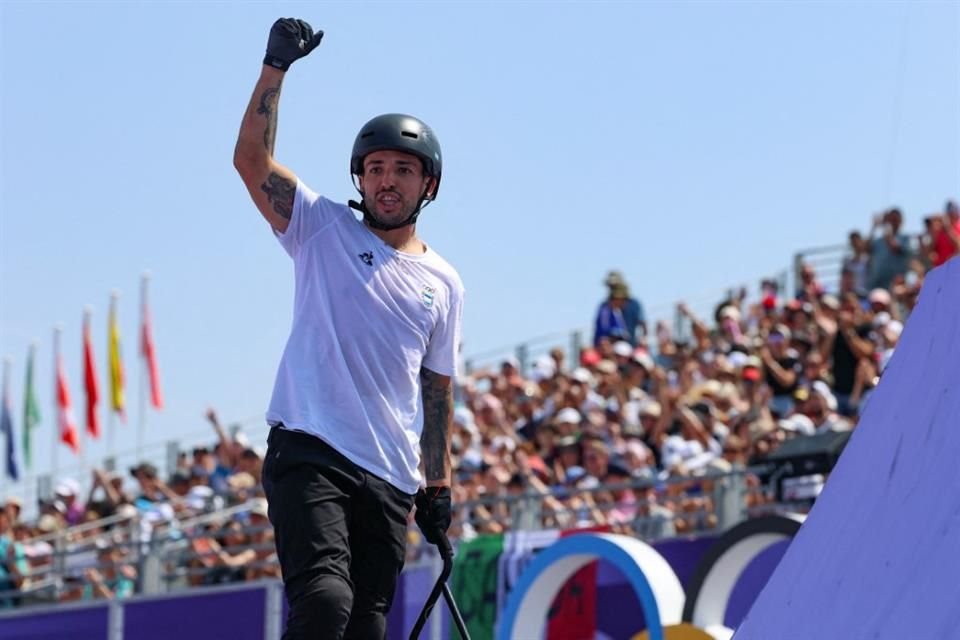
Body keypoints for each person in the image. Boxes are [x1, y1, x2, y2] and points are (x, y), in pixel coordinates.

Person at [233, 18, 464, 640]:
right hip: (310, 448)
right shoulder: (319, 226)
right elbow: (251, 160)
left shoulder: (444, 283)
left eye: (404, 169)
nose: (388, 179)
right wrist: (274, 68)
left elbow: (436, 389)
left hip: (389, 471)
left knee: (365, 626)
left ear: (428, 185)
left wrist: (436, 486)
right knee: (326, 602)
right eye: (377, 167)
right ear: (360, 177)